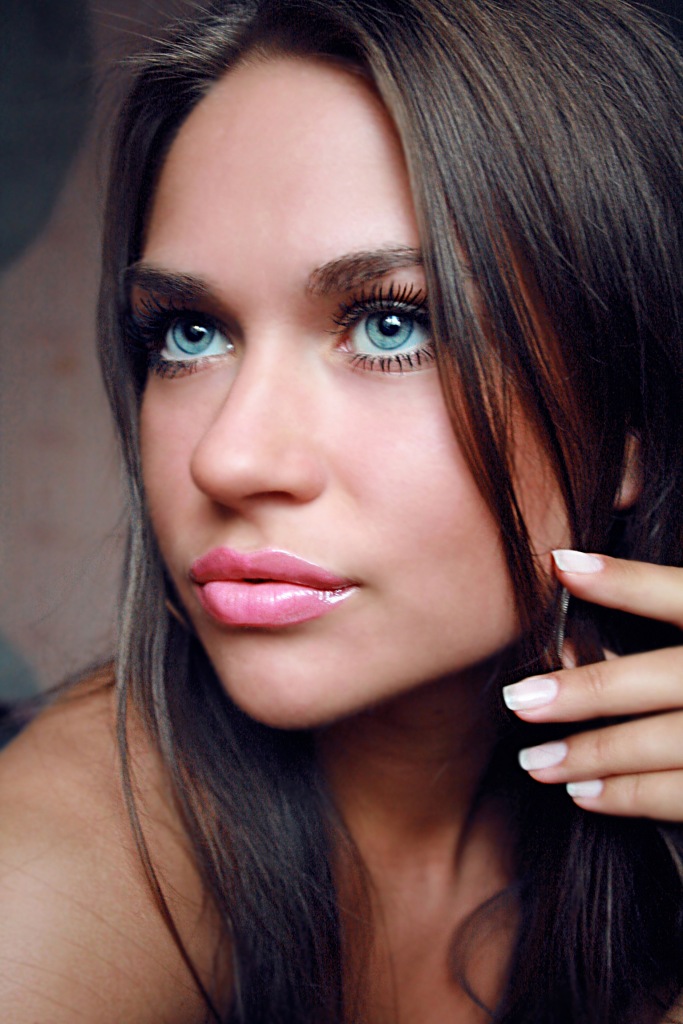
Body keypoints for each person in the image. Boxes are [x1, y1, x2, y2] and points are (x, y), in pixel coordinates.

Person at [1, 0, 682, 1021]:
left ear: (628, 421)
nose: (227, 457)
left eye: (390, 324)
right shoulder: (61, 868)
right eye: (189, 332)